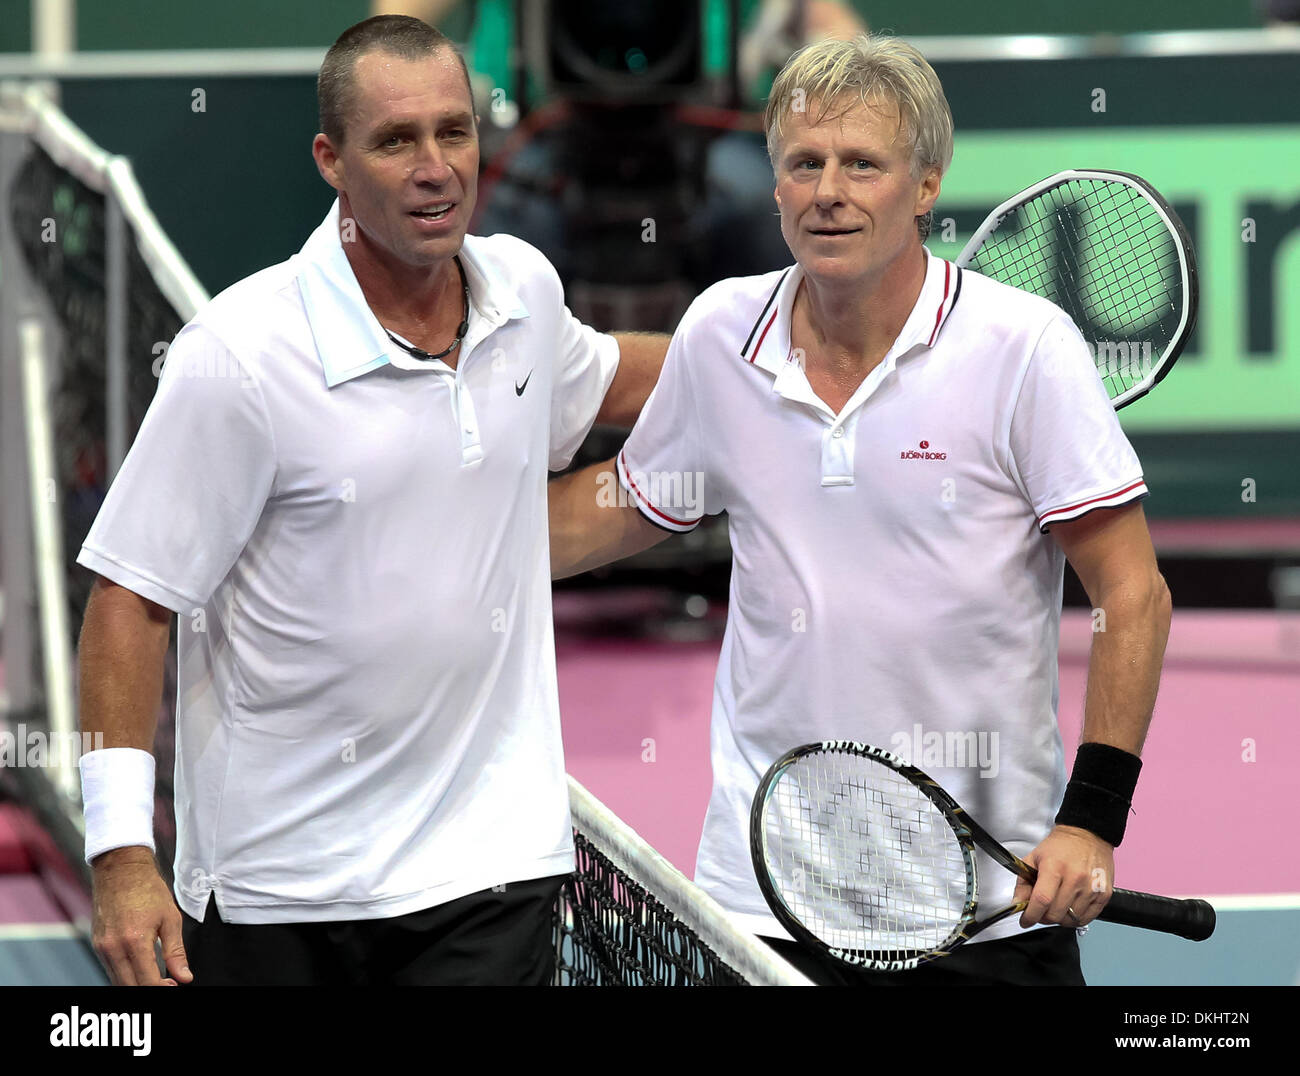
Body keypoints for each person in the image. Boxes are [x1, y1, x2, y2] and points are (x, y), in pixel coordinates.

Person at [548, 33, 1173, 986]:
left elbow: (1132, 595)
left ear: (925, 186)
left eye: (861, 164)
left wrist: (1090, 819)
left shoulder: (1025, 349)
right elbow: (623, 508)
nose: (828, 190)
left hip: (992, 911)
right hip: (768, 905)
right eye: (805, 163)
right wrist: (432, 536)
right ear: (774, 183)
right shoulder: (722, 334)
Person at [75, 15, 667, 987]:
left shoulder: (523, 292)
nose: (436, 166)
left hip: (489, 870)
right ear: (331, 160)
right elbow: (130, 600)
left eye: (454, 131)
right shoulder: (240, 357)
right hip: (280, 888)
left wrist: (772, 354)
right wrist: (120, 852)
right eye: (397, 140)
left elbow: (612, 380)